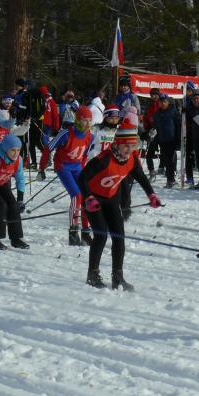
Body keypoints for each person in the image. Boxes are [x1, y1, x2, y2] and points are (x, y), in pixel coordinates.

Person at [78, 119, 160, 290]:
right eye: (126, 146)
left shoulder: (131, 160)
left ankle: (118, 277)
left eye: (133, 146)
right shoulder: (104, 159)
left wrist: (151, 194)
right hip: (95, 199)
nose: (129, 150)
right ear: (117, 144)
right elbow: (82, 178)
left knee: (119, 237)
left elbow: (141, 178)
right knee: (100, 235)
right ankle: (92, 274)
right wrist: (88, 198)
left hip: (112, 198)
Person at [47, 106, 93, 246]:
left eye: (89, 121)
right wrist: (42, 168)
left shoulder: (89, 136)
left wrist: (83, 169)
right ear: (78, 120)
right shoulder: (66, 133)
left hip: (77, 167)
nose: (87, 124)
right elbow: (49, 147)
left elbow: (85, 154)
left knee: (87, 195)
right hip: (63, 166)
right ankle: (73, 232)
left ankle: (86, 231)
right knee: (76, 195)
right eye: (85, 120)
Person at [152, 94, 180, 188]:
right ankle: (170, 179)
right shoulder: (157, 114)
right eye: (161, 102)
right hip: (162, 140)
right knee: (166, 160)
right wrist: (155, 141)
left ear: (168, 102)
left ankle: (171, 179)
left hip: (171, 139)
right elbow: (156, 128)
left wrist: (178, 139)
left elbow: (178, 126)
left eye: (164, 101)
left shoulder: (173, 112)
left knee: (170, 160)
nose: (163, 103)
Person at [37, 86, 59, 181]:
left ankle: (48, 157)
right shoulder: (45, 100)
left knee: (44, 141)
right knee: (42, 140)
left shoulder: (50, 101)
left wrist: (56, 126)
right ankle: (47, 156)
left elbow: (55, 114)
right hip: (43, 123)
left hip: (47, 124)